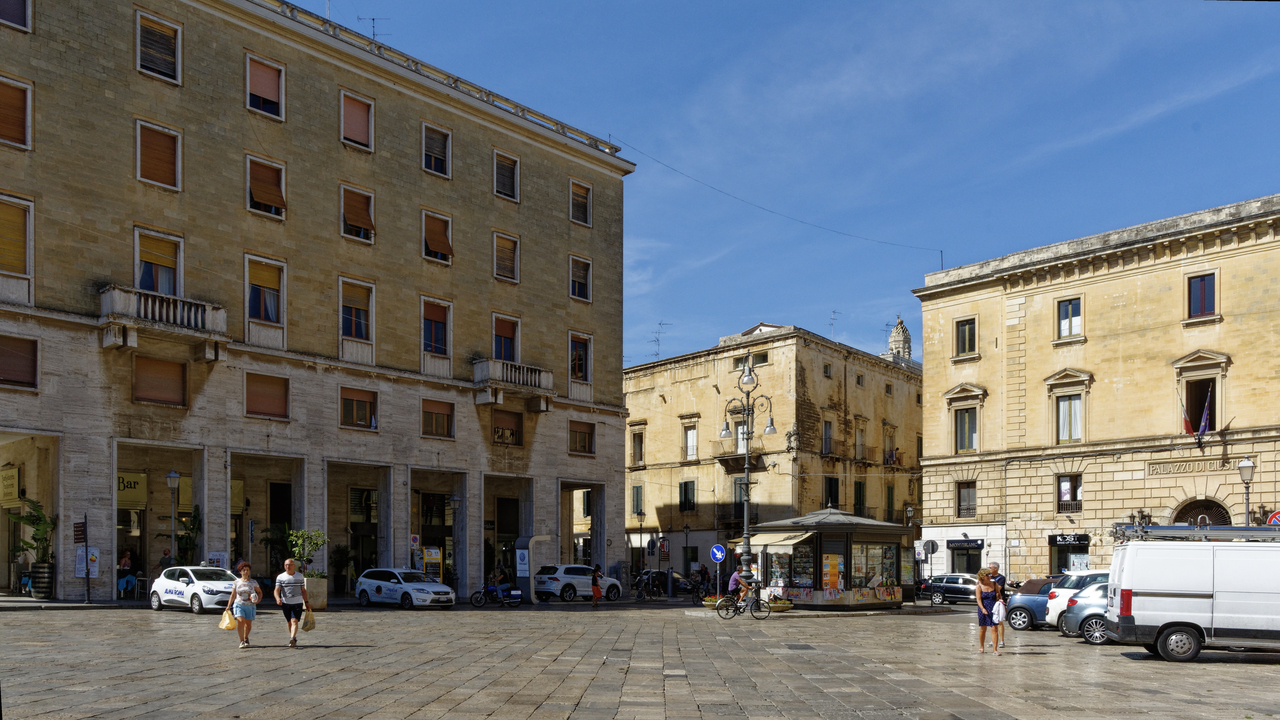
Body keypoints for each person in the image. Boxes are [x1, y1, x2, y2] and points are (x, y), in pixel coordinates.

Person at [273, 558, 310, 649]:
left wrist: (306, 602)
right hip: (285, 603)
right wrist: (278, 598)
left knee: (294, 621)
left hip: (297, 602)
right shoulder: (280, 577)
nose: (288, 567)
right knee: (289, 621)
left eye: (289, 565)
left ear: (294, 566)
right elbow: (276, 590)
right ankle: (293, 637)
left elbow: (303, 590)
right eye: (286, 565)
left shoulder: (299, 576)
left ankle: (292, 637)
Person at [232, 561, 261, 649]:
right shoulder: (236, 582)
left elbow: (259, 592)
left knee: (248, 624)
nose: (246, 572)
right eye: (244, 570)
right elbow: (233, 595)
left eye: (247, 570)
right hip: (239, 604)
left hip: (250, 605)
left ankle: (245, 637)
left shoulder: (253, 582)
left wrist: (258, 600)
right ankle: (241, 641)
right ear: (240, 571)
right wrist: (228, 606)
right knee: (240, 621)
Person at [975, 567, 1002, 655]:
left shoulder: (994, 584)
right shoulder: (979, 586)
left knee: (994, 628)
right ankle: (981, 646)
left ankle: (995, 650)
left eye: (990, 574)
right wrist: (982, 608)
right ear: (982, 576)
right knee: (983, 628)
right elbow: (978, 600)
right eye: (987, 575)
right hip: (983, 608)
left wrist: (1001, 603)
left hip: (993, 608)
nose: (989, 576)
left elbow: (999, 595)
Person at [988, 562, 1007, 648]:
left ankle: (1002, 641)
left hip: (999, 601)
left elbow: (998, 588)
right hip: (990, 600)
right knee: (992, 621)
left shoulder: (1001, 578)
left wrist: (988, 586)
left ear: (995, 568)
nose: (989, 569)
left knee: (999, 621)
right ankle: (993, 639)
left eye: (990, 568)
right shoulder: (988, 577)